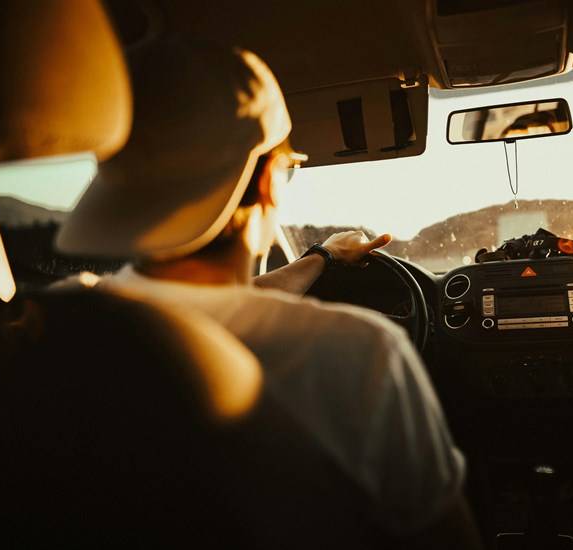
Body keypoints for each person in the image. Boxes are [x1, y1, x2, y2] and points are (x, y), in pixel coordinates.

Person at [55, 36, 472, 538]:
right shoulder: (361, 354)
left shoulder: (49, 334)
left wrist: (320, 257)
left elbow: (210, 305)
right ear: (271, 181)